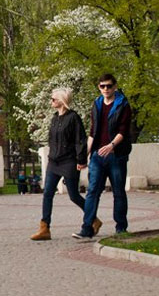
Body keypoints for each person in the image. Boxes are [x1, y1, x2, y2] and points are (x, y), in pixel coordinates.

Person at [73, 73, 133, 240]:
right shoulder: (97, 104)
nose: (106, 89)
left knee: (118, 192)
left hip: (116, 155)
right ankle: (87, 228)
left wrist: (112, 145)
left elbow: (123, 131)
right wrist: (84, 156)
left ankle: (121, 227)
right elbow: (93, 132)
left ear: (114, 87)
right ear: (99, 87)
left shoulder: (123, 105)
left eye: (108, 86)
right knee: (92, 191)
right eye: (102, 86)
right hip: (98, 157)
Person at [31, 87, 87, 240]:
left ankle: (92, 218)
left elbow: (80, 140)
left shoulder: (73, 118)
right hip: (54, 162)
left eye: (53, 99)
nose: (51, 102)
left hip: (69, 161)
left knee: (74, 196)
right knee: (47, 193)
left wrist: (81, 160)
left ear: (62, 100)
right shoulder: (55, 118)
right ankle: (44, 228)